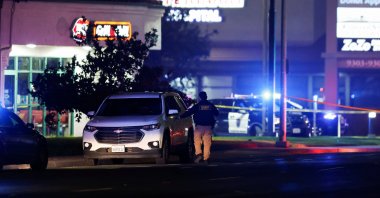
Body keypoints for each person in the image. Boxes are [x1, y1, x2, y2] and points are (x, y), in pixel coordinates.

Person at [180, 91, 219, 164]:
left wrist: (180, 116)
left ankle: (199, 154)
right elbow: (217, 113)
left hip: (199, 127)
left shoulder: (198, 105)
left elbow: (189, 112)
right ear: (206, 96)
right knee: (207, 143)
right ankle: (206, 158)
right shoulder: (210, 105)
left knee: (197, 142)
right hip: (208, 127)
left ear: (200, 97)